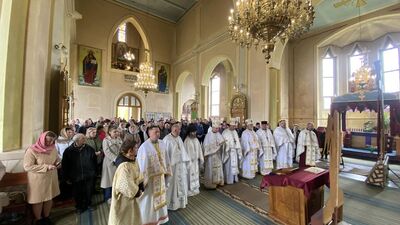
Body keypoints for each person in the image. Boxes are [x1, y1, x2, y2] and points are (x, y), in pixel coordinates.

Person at [137, 125, 171, 224]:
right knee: (149, 199)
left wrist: (166, 171)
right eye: (155, 132)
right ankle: (148, 219)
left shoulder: (162, 143)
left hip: (160, 177)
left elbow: (166, 158)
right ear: (149, 133)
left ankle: (161, 217)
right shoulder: (144, 146)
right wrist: (143, 179)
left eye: (158, 132)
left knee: (161, 196)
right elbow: (142, 164)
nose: (158, 134)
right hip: (150, 179)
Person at [24, 131, 60, 225]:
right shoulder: (32, 150)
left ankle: (46, 217)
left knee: (49, 197)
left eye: (52, 141)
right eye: (48, 141)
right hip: (38, 179)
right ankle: (39, 219)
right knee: (38, 200)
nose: (50, 143)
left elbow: (57, 158)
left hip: (51, 177)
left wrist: (58, 162)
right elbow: (27, 166)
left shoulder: (53, 148)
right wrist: (46, 167)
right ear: (42, 139)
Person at [108, 140, 144, 225]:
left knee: (133, 218)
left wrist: (141, 184)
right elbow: (124, 184)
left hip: (132, 197)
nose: (138, 149)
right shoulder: (124, 166)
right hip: (125, 199)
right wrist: (137, 191)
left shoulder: (133, 159)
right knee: (125, 220)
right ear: (130, 151)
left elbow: (139, 174)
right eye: (136, 148)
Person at [62, 134, 97, 214]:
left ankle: (88, 204)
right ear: (77, 140)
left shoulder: (89, 149)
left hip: (89, 174)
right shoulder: (68, 151)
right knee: (77, 192)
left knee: (89, 191)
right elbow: (65, 165)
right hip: (75, 175)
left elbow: (94, 161)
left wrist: (94, 172)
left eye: (84, 138)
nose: (85, 140)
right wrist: (66, 177)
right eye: (83, 139)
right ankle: (79, 206)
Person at [163, 123, 190, 210]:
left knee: (181, 183)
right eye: (179, 130)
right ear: (174, 130)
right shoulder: (167, 139)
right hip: (172, 166)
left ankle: (180, 203)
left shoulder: (178, 138)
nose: (180, 131)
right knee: (171, 185)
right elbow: (165, 154)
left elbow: (182, 150)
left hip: (180, 165)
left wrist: (185, 160)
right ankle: (171, 204)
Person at [100, 126, 122, 204]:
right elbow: (106, 151)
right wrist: (115, 159)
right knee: (108, 180)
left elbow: (121, 149)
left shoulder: (119, 139)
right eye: (114, 132)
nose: (116, 133)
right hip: (109, 162)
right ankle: (108, 197)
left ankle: (115, 195)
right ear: (109, 132)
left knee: (117, 180)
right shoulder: (106, 140)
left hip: (119, 161)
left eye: (117, 132)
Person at [203, 119, 225, 189]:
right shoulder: (208, 136)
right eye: (216, 128)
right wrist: (215, 147)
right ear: (212, 128)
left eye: (218, 128)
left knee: (218, 168)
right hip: (211, 156)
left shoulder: (218, 134)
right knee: (211, 169)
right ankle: (211, 184)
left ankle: (219, 181)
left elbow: (222, 142)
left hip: (217, 155)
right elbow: (206, 146)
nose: (217, 129)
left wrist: (222, 144)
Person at [184, 124, 204, 196]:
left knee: (196, 174)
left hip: (195, 161)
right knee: (190, 175)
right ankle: (189, 189)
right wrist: (188, 162)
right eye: (192, 132)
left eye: (195, 132)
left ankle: (195, 188)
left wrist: (200, 158)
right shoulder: (186, 141)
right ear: (189, 132)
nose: (194, 133)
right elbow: (185, 153)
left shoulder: (196, 139)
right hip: (189, 163)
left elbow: (199, 149)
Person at [222, 120, 242, 184]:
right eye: (232, 126)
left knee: (235, 165)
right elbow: (224, 142)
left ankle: (234, 178)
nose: (234, 127)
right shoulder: (225, 132)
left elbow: (237, 141)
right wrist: (228, 147)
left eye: (234, 126)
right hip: (229, 152)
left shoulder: (235, 132)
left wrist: (238, 148)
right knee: (229, 166)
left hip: (234, 151)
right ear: (229, 126)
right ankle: (228, 179)